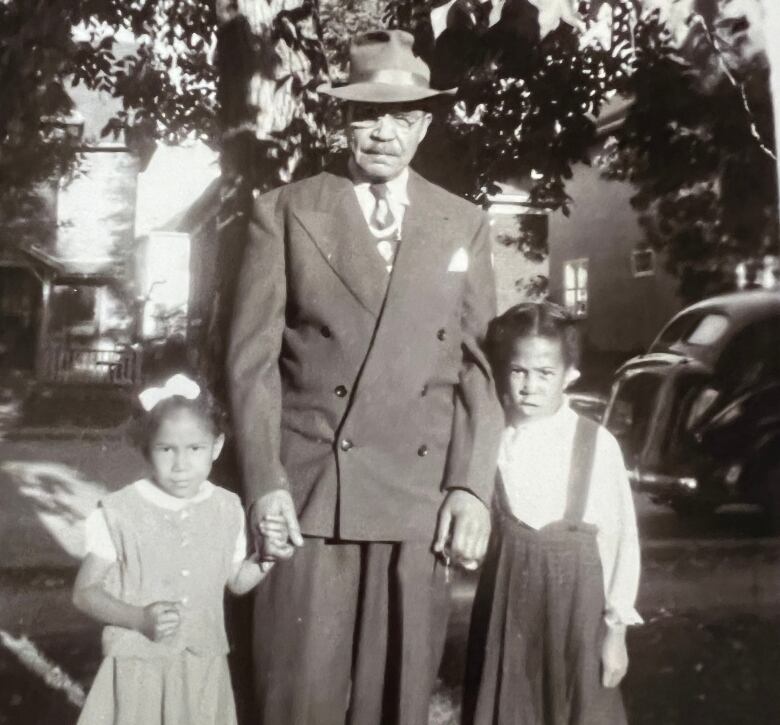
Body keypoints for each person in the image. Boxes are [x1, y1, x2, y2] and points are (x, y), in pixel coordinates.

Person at [228, 28, 504, 725]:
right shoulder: (286, 211)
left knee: (397, 701)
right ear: (341, 119)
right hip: (310, 495)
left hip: (417, 502)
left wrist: (470, 484)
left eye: (402, 116)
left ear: (425, 124)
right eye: (366, 114)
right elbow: (250, 363)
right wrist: (264, 483)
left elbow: (478, 368)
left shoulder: (462, 223)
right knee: (297, 698)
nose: (383, 132)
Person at [462, 302, 642, 725]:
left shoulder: (594, 443)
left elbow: (621, 542)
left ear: (569, 375)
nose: (530, 386)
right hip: (508, 612)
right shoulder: (492, 441)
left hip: (579, 620)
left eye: (545, 373)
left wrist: (615, 632)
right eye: (519, 371)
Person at [72, 373, 286, 725]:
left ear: (216, 447)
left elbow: (235, 580)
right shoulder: (119, 512)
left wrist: (265, 559)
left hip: (201, 668)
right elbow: (84, 594)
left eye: (195, 449)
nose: (181, 465)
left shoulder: (227, 508)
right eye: (166, 449)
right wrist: (138, 619)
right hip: (138, 669)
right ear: (146, 448)